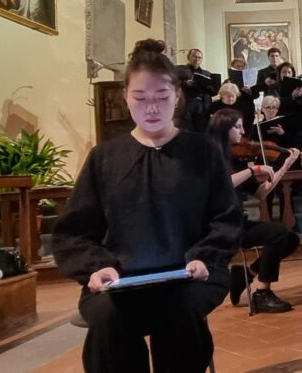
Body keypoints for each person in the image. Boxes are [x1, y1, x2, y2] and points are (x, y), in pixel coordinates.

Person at [53, 39, 243, 373]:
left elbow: (226, 218)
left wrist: (204, 256)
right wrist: (97, 267)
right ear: (125, 96)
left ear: (177, 97)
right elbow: (74, 232)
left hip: (190, 275)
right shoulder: (105, 158)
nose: (151, 108)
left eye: (162, 98)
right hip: (120, 278)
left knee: (179, 313)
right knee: (108, 319)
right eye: (140, 98)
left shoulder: (201, 152)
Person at [208, 109, 301, 313]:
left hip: (239, 223)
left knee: (290, 238)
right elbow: (221, 185)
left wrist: (285, 166)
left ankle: (247, 273)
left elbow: (260, 193)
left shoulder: (238, 159)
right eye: (238, 127)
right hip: (220, 228)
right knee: (278, 233)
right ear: (224, 129)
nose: (243, 131)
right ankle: (262, 294)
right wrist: (253, 170)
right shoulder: (210, 157)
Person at [176, 49, 214, 132]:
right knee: (186, 130)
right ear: (188, 57)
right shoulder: (179, 70)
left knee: (201, 131)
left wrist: (210, 85)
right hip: (186, 103)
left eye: (199, 58)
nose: (197, 59)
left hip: (202, 105)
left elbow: (212, 90)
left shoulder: (207, 73)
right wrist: (186, 83)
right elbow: (173, 83)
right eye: (194, 56)